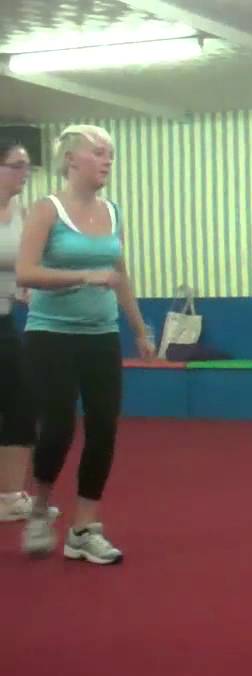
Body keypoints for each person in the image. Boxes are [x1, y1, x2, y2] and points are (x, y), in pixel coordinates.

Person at [16, 124, 155, 564]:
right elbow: (25, 272)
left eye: (110, 154)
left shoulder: (113, 212)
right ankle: (40, 508)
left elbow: (119, 274)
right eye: (98, 152)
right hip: (51, 335)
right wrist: (83, 275)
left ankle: (83, 529)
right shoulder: (47, 209)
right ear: (71, 159)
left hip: (101, 335)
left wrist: (139, 328)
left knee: (103, 429)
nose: (107, 160)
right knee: (58, 428)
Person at [0, 137, 58, 523]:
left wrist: (26, 289)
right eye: (17, 165)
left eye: (28, 167)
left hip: (5, 320)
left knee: (22, 404)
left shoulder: (21, 214)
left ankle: (8, 497)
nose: (25, 173)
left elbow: (23, 267)